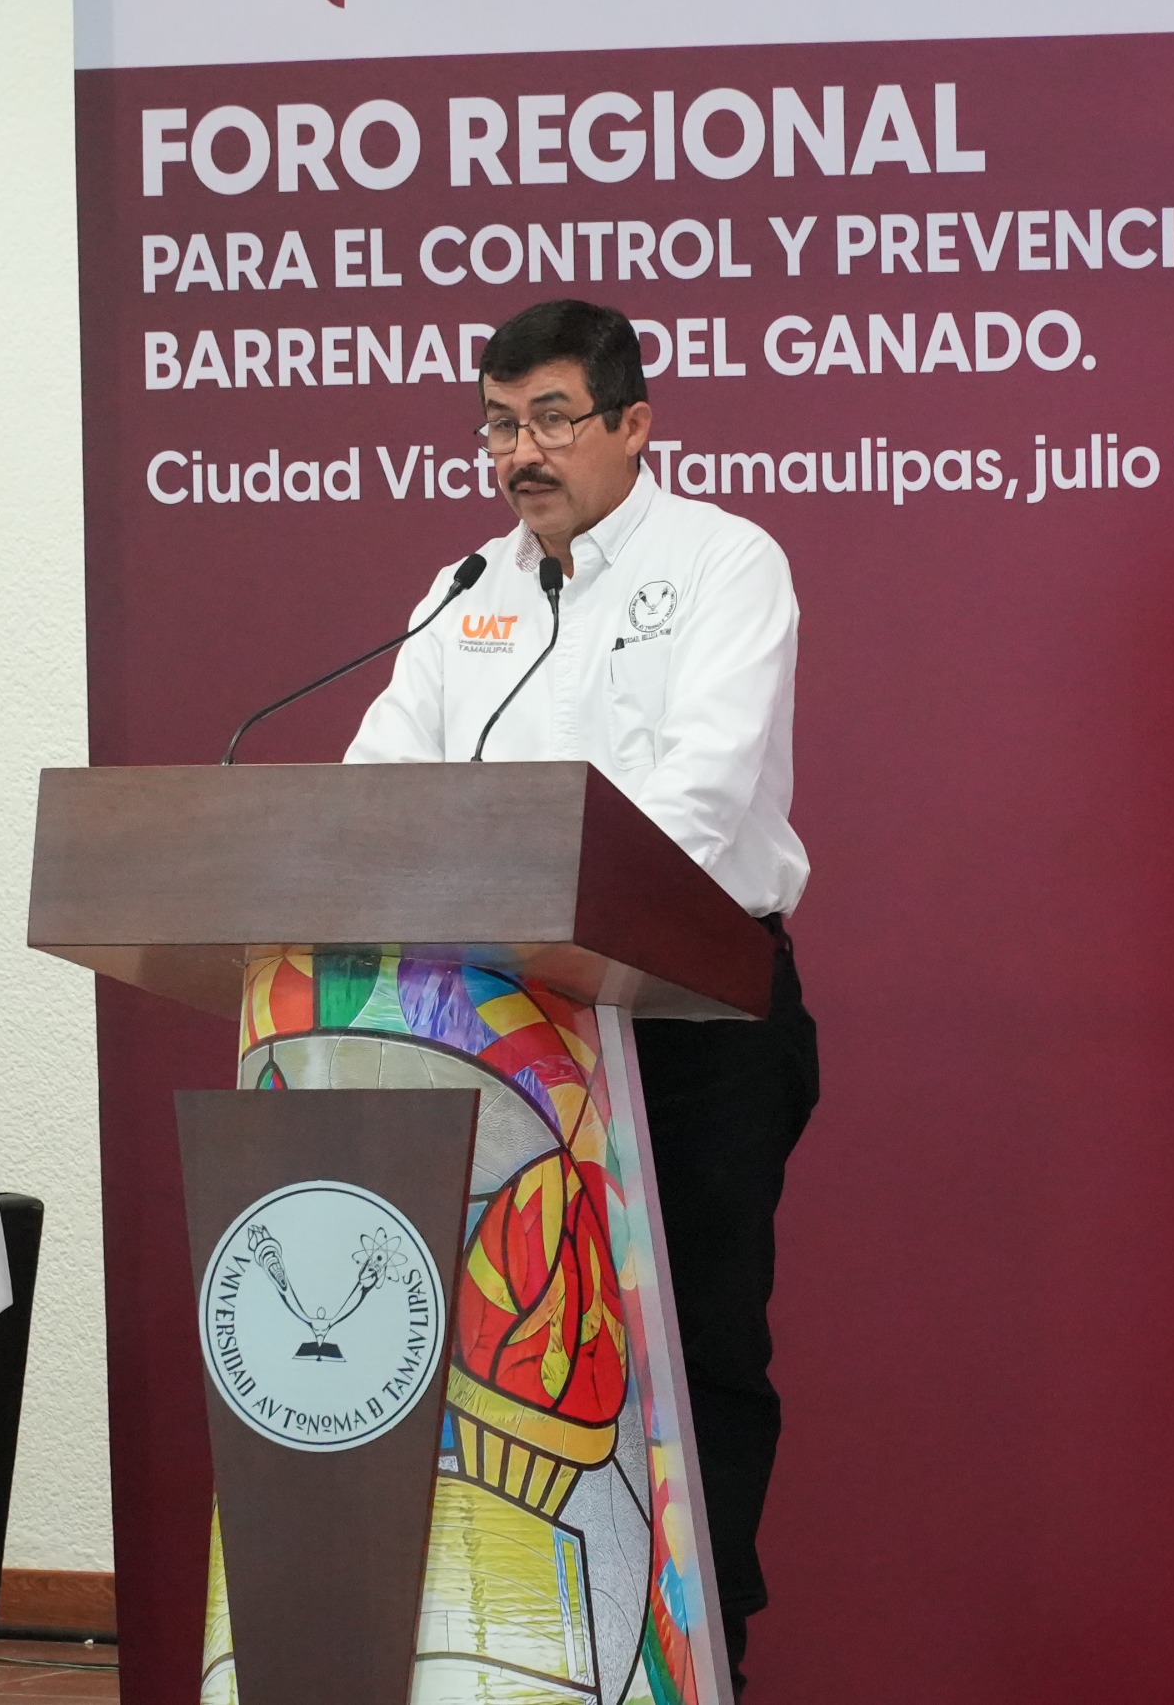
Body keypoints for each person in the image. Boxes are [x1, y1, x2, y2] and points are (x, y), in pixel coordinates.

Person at [346, 297, 819, 1693]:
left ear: (632, 425)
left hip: (690, 1021)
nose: (521, 453)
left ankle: (700, 1663)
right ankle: (522, 1661)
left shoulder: (725, 562)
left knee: (695, 1350)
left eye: (552, 419)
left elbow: (699, 798)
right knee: (505, 1358)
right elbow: (375, 789)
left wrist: (540, 893)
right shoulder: (462, 594)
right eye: (499, 424)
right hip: (495, 1030)